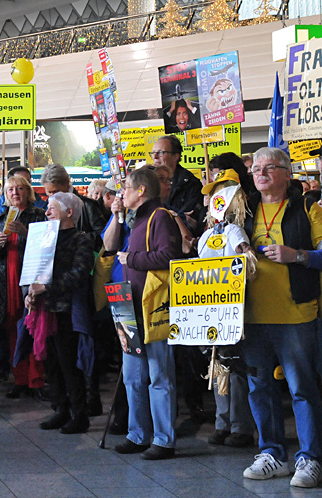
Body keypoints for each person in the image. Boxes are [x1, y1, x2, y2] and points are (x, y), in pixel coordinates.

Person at [240, 148, 322, 487]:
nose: (260, 173)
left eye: (269, 167)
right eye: (256, 168)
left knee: (302, 387)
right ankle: (272, 453)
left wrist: (299, 255)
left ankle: (311, 458)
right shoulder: (243, 211)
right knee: (260, 388)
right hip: (251, 316)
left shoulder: (306, 208)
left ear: (287, 174)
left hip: (296, 314)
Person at [113, 166, 181, 461]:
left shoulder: (160, 217)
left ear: (141, 190)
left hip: (153, 308)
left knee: (159, 376)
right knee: (133, 376)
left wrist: (133, 259)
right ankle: (137, 433)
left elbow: (170, 257)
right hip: (129, 306)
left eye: (126, 187)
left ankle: (164, 439)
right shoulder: (135, 220)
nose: (122, 193)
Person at [26, 192, 94, 434]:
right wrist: (31, 292)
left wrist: (46, 287)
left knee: (68, 363)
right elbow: (34, 270)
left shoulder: (81, 239)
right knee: (51, 363)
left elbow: (79, 273)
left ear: (69, 212)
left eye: (51, 208)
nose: (46, 212)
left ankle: (79, 413)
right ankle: (60, 408)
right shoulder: (45, 238)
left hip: (67, 310)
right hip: (45, 309)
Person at [196, 169, 254, 449]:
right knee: (216, 364)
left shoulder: (234, 231)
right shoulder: (206, 236)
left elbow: (246, 259)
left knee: (234, 364)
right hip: (210, 306)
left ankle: (240, 426)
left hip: (234, 306)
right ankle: (223, 423)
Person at [0, 175, 47, 393]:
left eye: (20, 189)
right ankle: (19, 379)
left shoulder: (38, 215)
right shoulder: (1, 218)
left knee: (33, 327)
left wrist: (27, 234)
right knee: (12, 329)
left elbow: (47, 248)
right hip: (6, 282)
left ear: (27, 192)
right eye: (11, 190)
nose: (15, 193)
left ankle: (36, 380)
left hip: (30, 279)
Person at [39, 164, 107, 241]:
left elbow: (103, 235)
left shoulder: (88, 205)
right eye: (49, 192)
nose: (52, 196)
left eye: (56, 191)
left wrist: (75, 238)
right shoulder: (47, 208)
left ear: (66, 183)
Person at [150, 135, 202, 218]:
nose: (154, 157)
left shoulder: (191, 183)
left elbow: (190, 220)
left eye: (160, 153)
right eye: (153, 153)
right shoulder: (148, 181)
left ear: (175, 157)